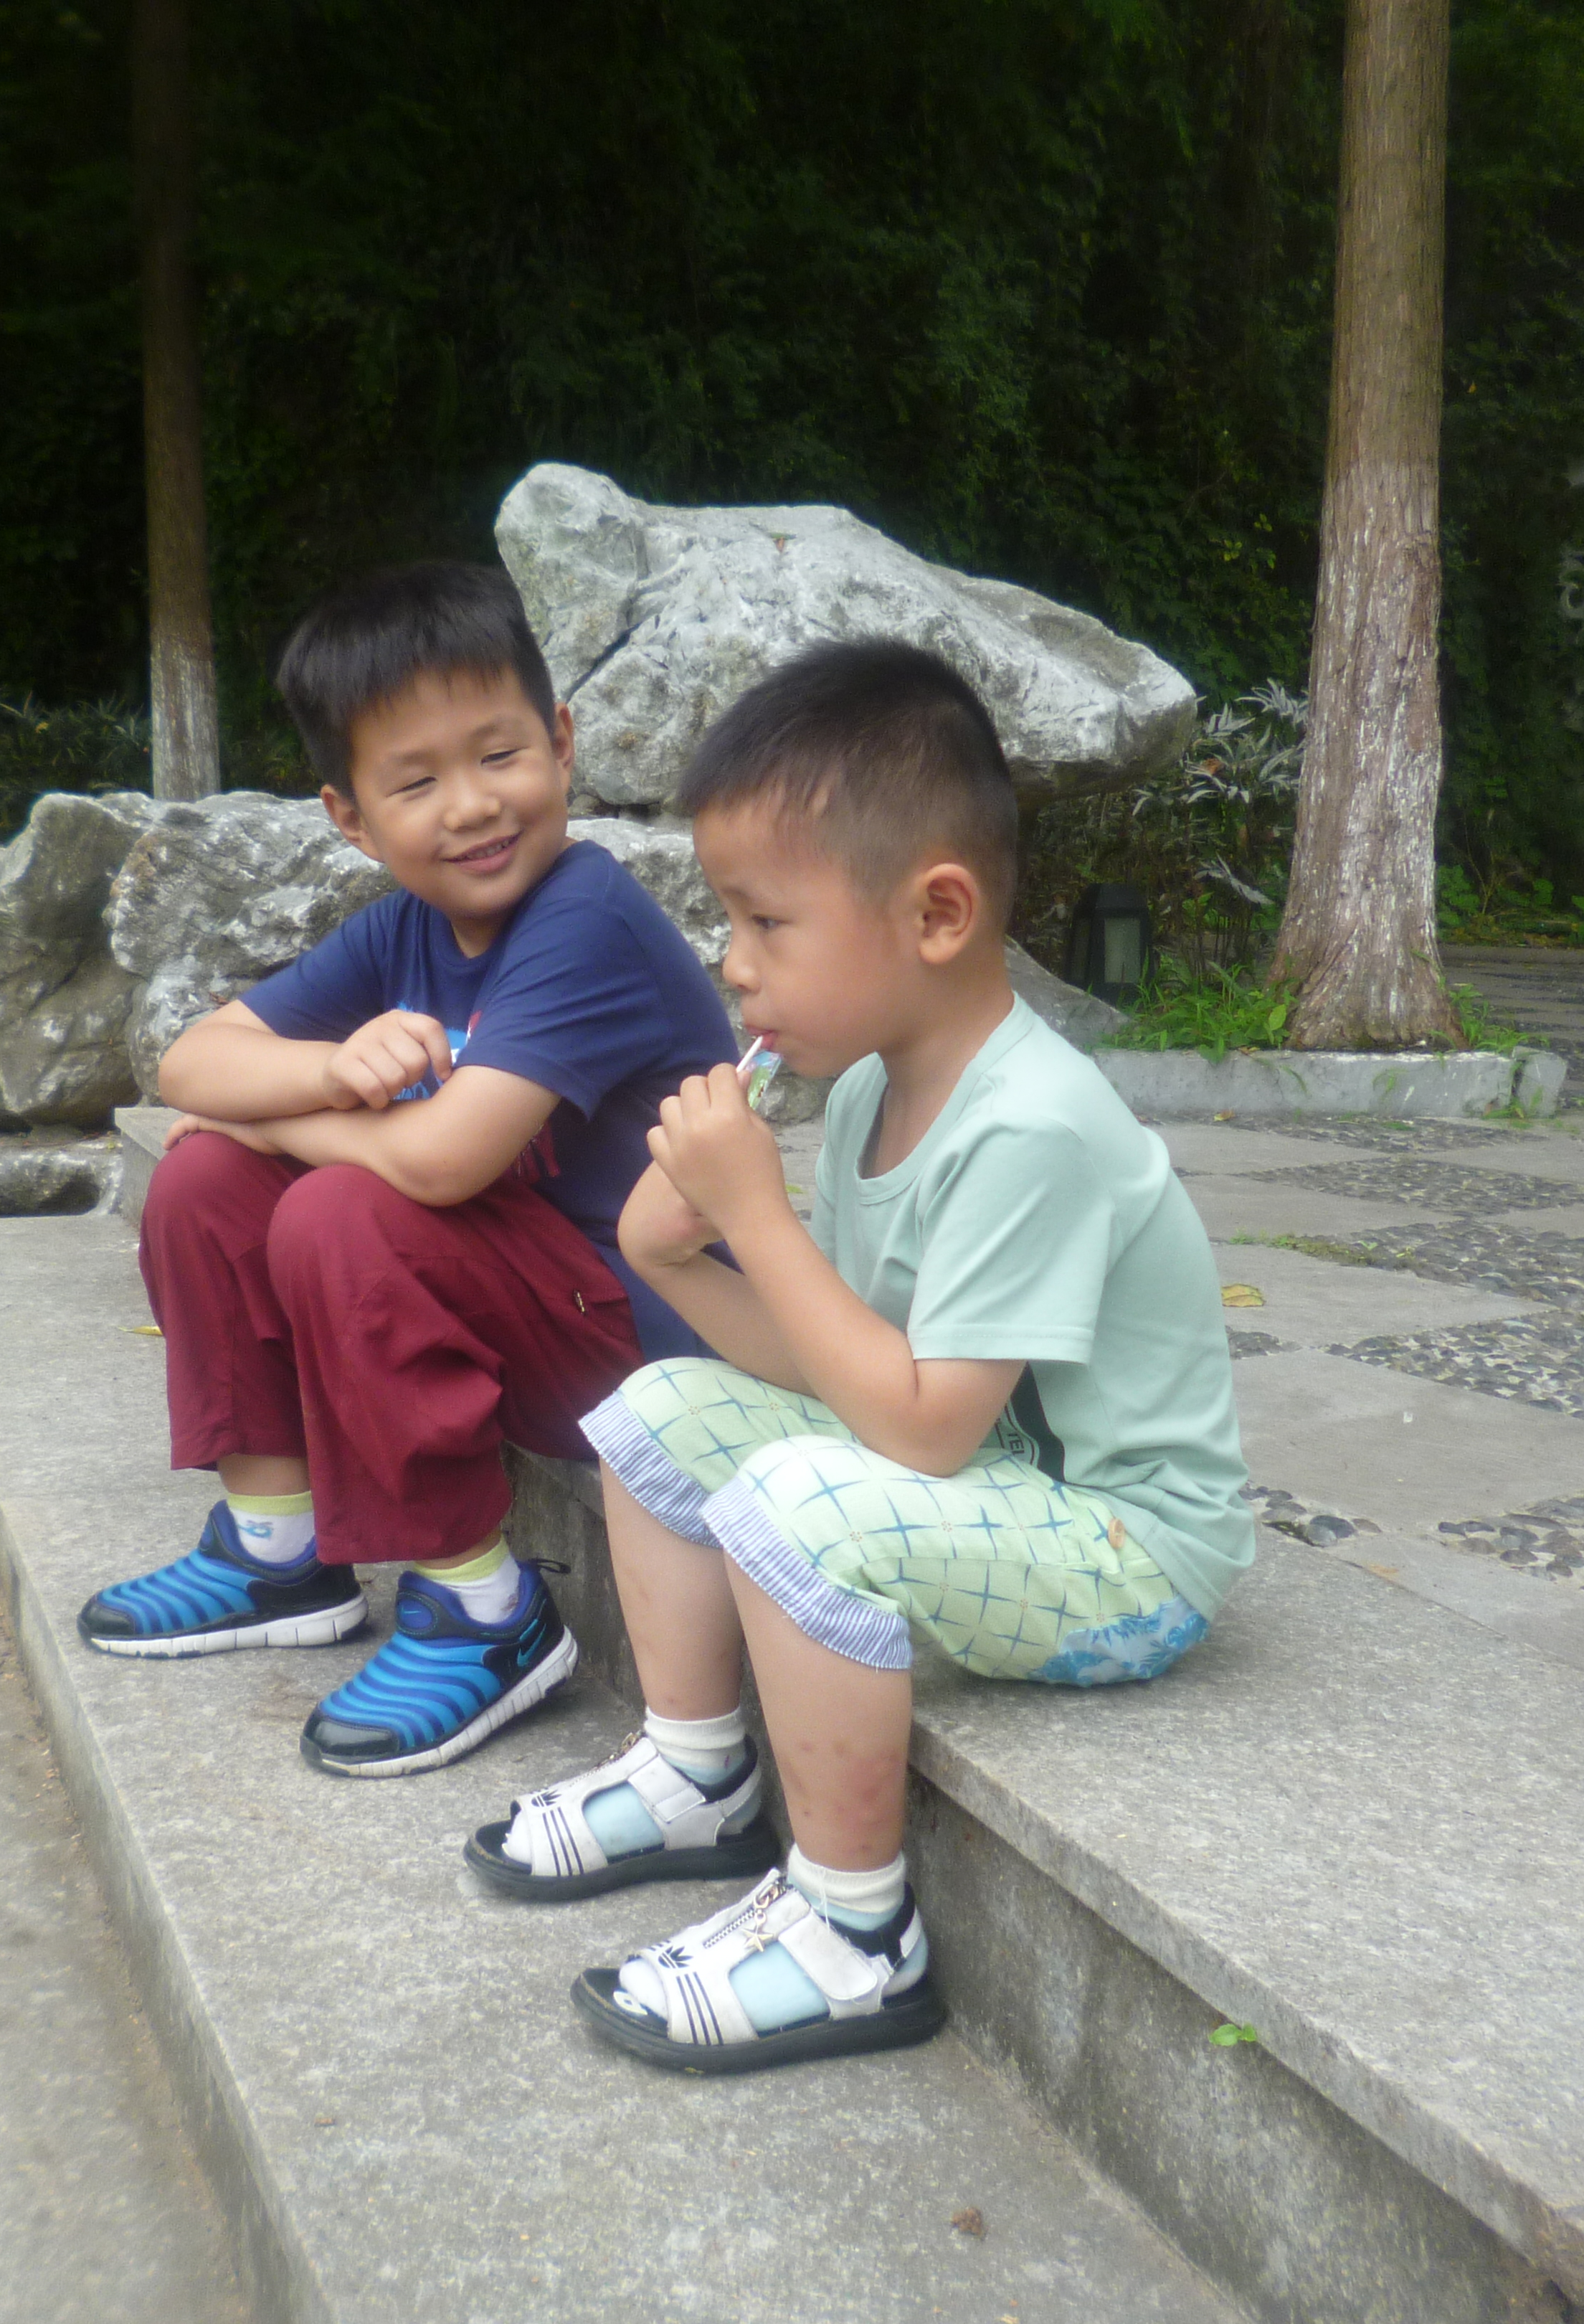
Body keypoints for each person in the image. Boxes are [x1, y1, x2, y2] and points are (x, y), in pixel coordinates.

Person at [468, 638, 1251, 2074]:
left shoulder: (1031, 1124)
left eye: (768, 922)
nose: (732, 962)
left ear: (937, 913)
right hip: (988, 1479)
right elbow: (830, 1370)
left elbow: (924, 1429)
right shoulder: (868, 1091)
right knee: (654, 1406)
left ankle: (853, 1933)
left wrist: (757, 1219)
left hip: (1127, 1554)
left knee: (794, 1503)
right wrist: (675, 1257)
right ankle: (698, 1775)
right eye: (731, 920)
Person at [77, 560, 739, 1779]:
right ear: (351, 818)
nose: (472, 806)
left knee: (338, 1209)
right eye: (417, 781)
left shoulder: (586, 919)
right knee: (204, 1183)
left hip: (647, 1347)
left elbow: (441, 1162)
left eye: (499, 756)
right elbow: (190, 1063)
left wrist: (283, 1119)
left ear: (562, 743)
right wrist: (328, 1073)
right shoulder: (404, 931)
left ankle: (484, 1611)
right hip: (523, 1308)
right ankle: (277, 1550)